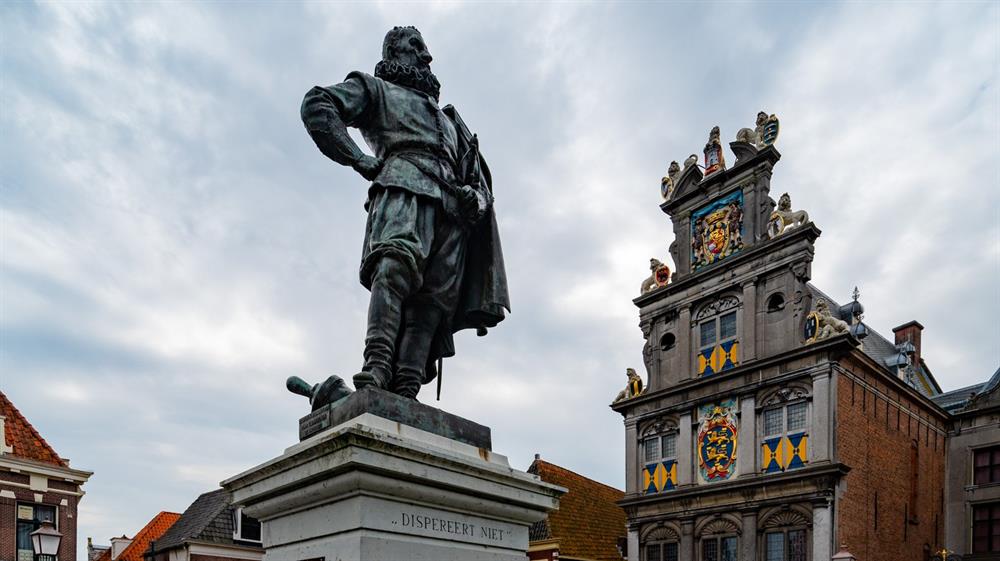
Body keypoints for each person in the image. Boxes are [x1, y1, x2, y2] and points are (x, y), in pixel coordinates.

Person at [300, 26, 509, 400]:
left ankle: (408, 385)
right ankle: (377, 366)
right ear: (394, 52)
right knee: (393, 270)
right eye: (416, 47)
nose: (426, 56)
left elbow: (481, 187)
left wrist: (474, 200)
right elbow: (318, 105)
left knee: (432, 304)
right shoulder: (376, 91)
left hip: (451, 215)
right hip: (403, 188)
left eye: (425, 49)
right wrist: (358, 158)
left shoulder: (452, 122)